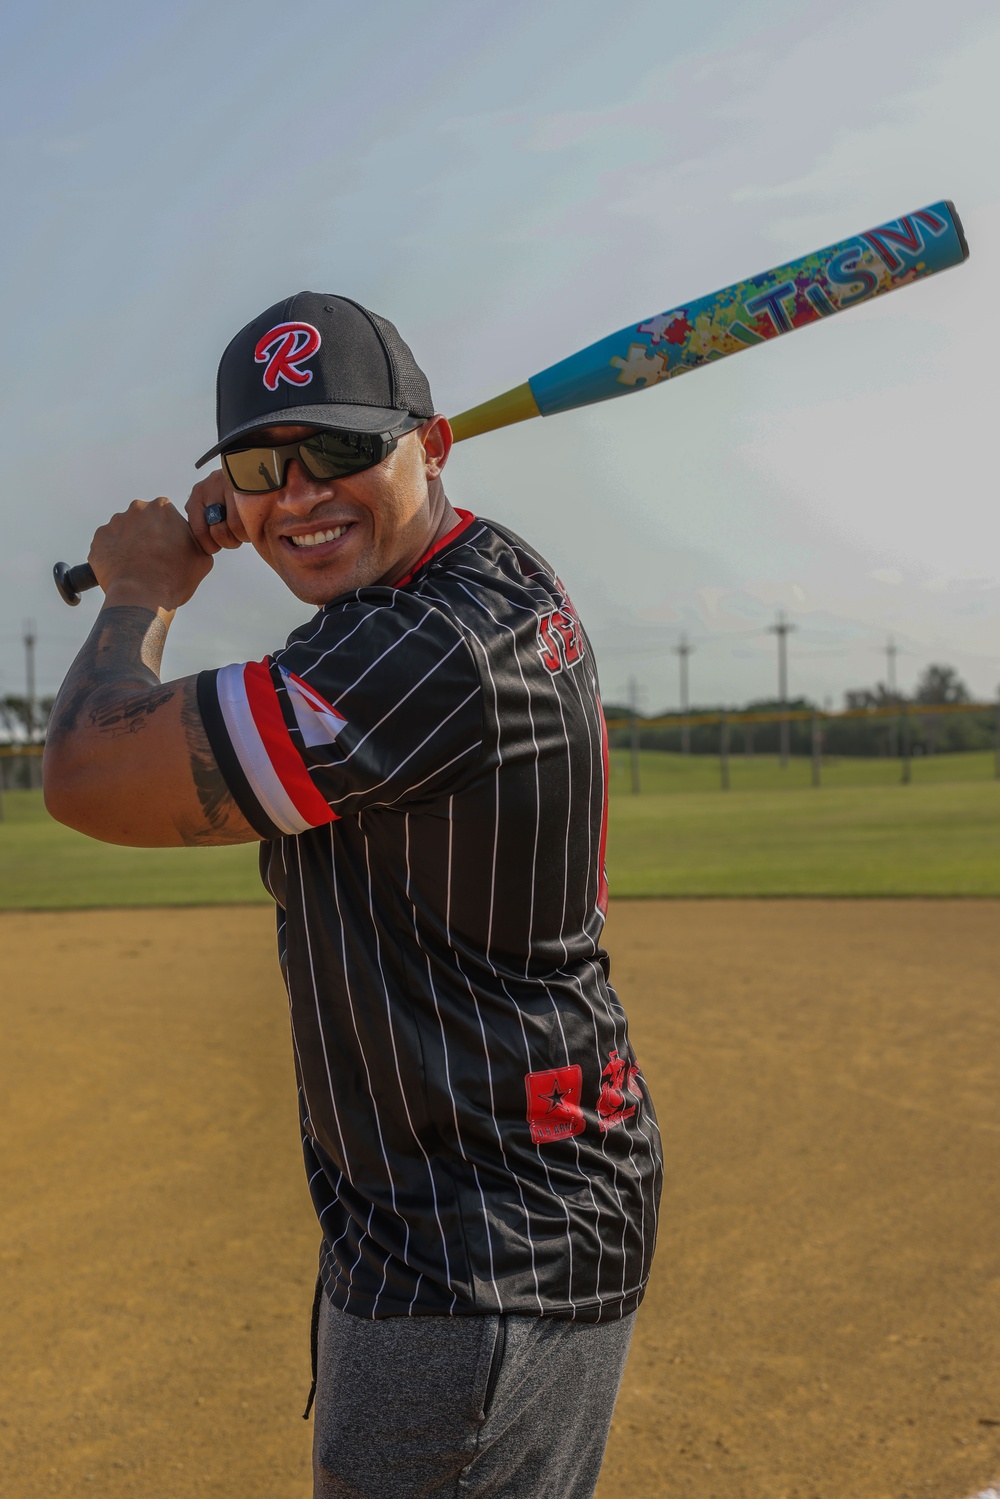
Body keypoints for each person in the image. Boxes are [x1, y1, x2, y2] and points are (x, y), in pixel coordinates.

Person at [44, 292, 663, 1498]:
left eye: (341, 448)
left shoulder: (426, 647)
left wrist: (142, 588)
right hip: (517, 1201)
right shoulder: (481, 571)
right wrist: (297, 498)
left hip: (470, 1248)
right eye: (262, 461)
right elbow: (326, 533)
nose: (302, 487)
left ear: (431, 444)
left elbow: (88, 771)